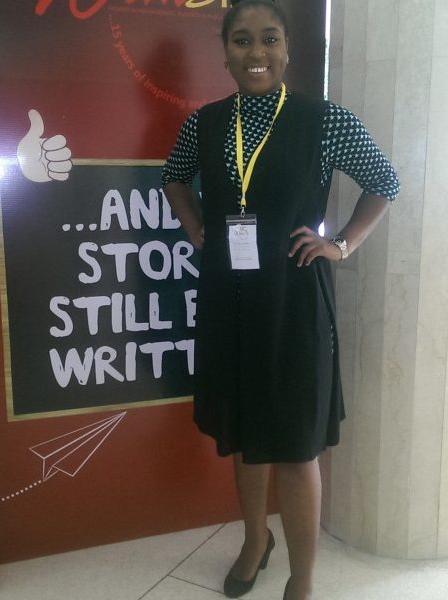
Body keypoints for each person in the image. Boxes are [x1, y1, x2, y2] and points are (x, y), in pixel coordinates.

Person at [162, 1, 399, 599]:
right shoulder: (206, 123)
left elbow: (384, 182)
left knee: (296, 446)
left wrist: (340, 244)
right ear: (225, 53)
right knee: (246, 434)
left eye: (269, 39)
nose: (256, 52)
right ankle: (254, 542)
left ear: (288, 49)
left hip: (295, 302)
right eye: (241, 40)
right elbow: (174, 176)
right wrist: (196, 227)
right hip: (230, 298)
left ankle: (303, 578)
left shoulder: (325, 120)